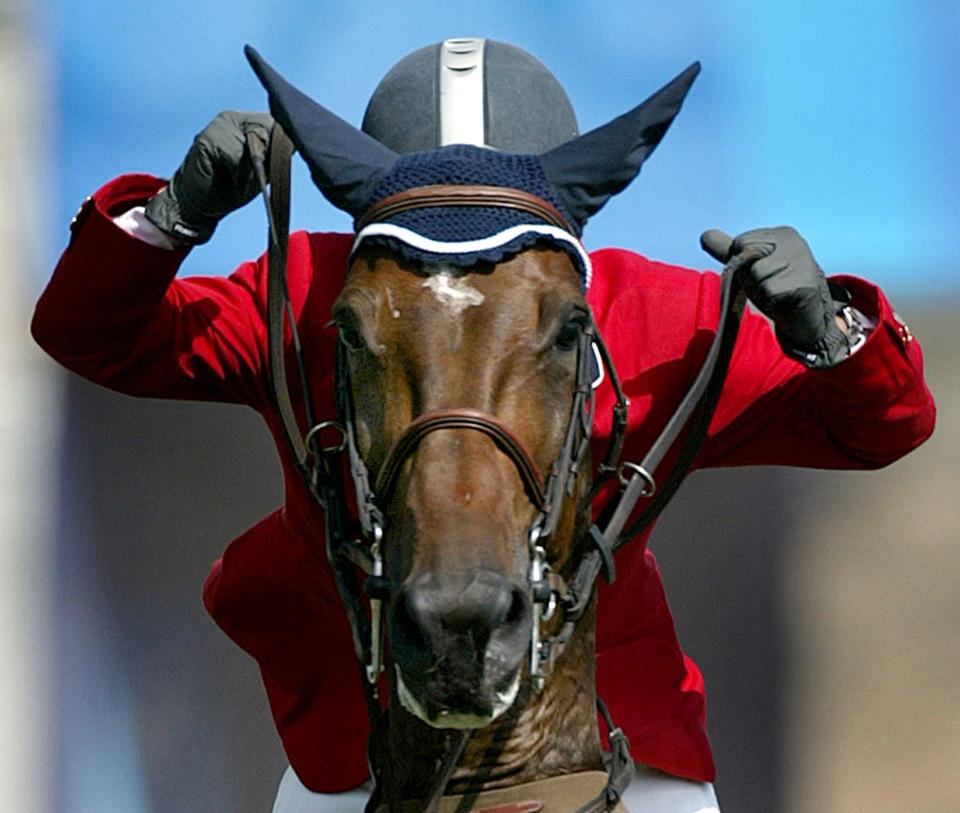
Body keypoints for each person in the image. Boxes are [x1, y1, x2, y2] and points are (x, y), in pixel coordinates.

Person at [32, 38, 935, 813]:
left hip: (614, 743)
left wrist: (831, 331)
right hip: (355, 753)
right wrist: (171, 216)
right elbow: (91, 336)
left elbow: (881, 429)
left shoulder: (649, 316)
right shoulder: (312, 297)